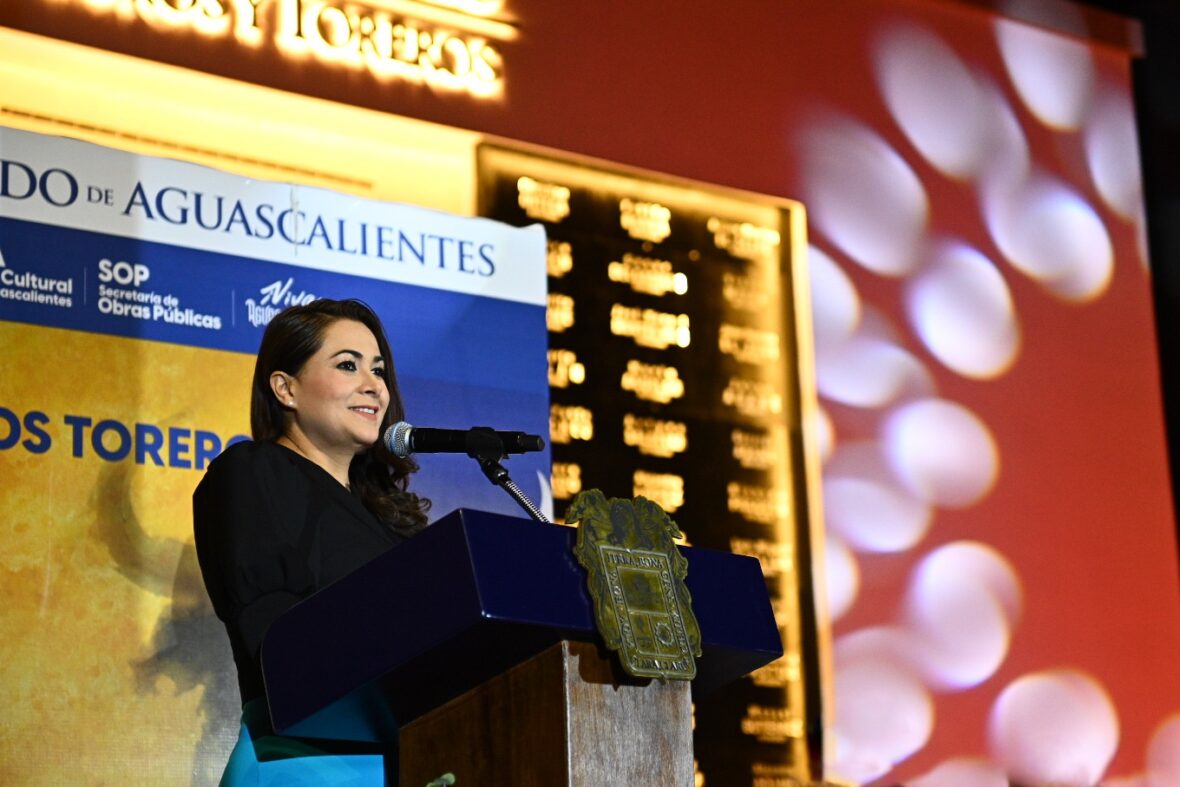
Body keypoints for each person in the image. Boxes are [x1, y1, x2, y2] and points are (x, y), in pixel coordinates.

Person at [193, 298, 430, 785]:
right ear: (286, 388)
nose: (375, 387)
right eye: (348, 365)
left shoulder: (388, 519)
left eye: (379, 370)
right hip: (302, 762)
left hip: (403, 759)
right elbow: (275, 639)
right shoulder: (251, 473)